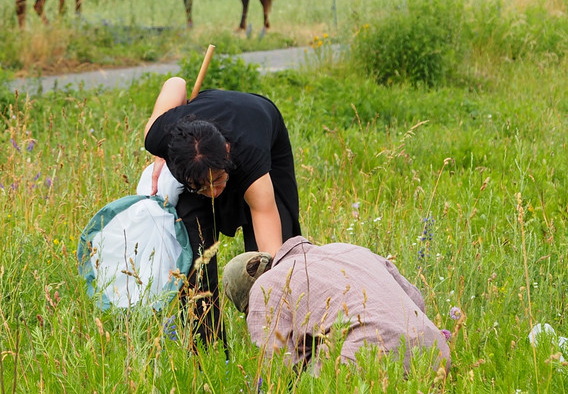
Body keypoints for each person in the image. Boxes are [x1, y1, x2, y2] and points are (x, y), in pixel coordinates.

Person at [143, 76, 301, 348]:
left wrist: (269, 281)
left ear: (227, 154)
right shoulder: (159, 135)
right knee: (194, 258)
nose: (213, 193)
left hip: (258, 122)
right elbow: (176, 82)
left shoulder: (251, 157)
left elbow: (267, 232)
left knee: (274, 262)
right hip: (197, 157)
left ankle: (280, 344)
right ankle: (208, 349)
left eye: (217, 182)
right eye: (203, 187)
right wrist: (164, 155)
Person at [223, 237, 451, 374]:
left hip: (367, 363)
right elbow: (416, 299)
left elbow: (278, 368)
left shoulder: (265, 286)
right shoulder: (346, 248)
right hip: (434, 354)